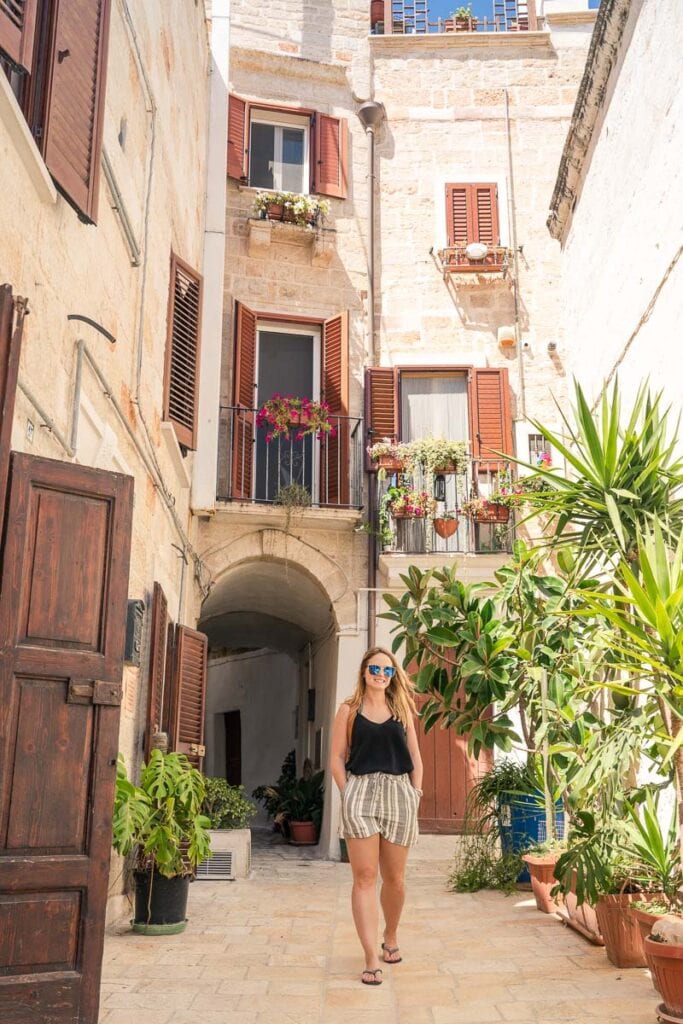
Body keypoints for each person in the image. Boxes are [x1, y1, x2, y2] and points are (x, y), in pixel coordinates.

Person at [330, 645, 423, 986]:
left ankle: (391, 935)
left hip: (399, 793)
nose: (381, 675)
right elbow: (336, 757)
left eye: (387, 670)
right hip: (361, 792)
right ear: (364, 672)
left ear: (393, 675)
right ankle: (370, 956)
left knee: (395, 879)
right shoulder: (348, 710)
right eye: (375, 669)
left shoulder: (402, 710)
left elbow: (415, 757)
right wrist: (347, 792)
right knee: (365, 878)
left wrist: (415, 794)